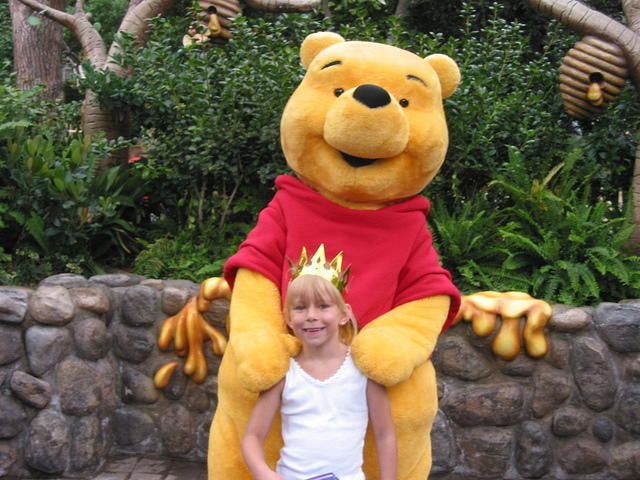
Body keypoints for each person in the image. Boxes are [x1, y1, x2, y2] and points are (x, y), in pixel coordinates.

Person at [241, 262, 397, 480]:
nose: (311, 315)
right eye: (300, 307)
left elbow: (385, 435)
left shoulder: (364, 369)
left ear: (344, 314)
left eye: (323, 306)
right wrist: (265, 474)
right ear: (288, 318)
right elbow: (252, 437)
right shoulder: (284, 372)